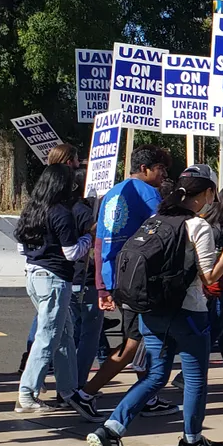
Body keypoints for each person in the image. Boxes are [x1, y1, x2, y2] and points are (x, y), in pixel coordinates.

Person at [85, 171, 223, 446]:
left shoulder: (155, 221)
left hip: (152, 310)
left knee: (157, 375)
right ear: (204, 195)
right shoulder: (198, 226)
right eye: (213, 195)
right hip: (188, 312)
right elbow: (209, 275)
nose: (214, 201)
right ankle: (193, 440)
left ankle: (111, 429)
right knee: (196, 378)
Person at [77, 144, 174, 419]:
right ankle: (86, 394)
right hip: (136, 278)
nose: (163, 175)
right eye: (160, 169)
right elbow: (163, 231)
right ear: (144, 169)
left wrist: (101, 284)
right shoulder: (148, 194)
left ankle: (148, 395)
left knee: (143, 336)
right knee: (134, 341)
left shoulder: (112, 194)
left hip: (114, 275)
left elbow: (99, 242)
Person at [13, 163, 95, 414]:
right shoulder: (60, 212)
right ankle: (27, 393)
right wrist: (89, 238)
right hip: (55, 279)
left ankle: (69, 390)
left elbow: (20, 245)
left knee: (63, 335)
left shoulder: (32, 210)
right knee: (48, 337)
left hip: (34, 273)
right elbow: (71, 252)